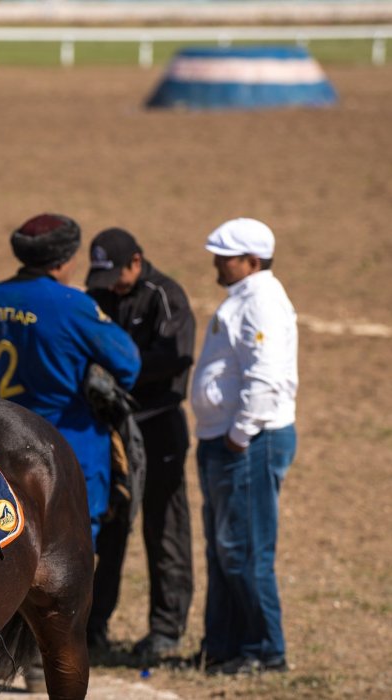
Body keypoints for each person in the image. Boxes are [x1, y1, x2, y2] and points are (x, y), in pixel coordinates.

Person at [0, 214, 140, 548]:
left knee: (13, 548)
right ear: (64, 260)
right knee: (70, 558)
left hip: (1, 443)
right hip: (69, 448)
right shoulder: (72, 304)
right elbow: (129, 364)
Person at [191, 217, 298, 675]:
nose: (217, 262)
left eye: (226, 256)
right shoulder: (244, 299)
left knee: (245, 549)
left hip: (247, 443)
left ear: (252, 261)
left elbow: (267, 375)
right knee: (224, 547)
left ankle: (263, 651)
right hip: (226, 440)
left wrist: (240, 433)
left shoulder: (263, 303)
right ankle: (225, 645)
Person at [85, 227, 196, 663]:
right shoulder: (101, 295)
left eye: (117, 275)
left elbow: (175, 356)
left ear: (136, 261)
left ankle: (166, 630)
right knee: (109, 524)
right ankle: (94, 626)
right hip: (114, 429)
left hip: (159, 425)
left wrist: (117, 371)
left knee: (165, 527)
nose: (110, 286)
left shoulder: (165, 296)